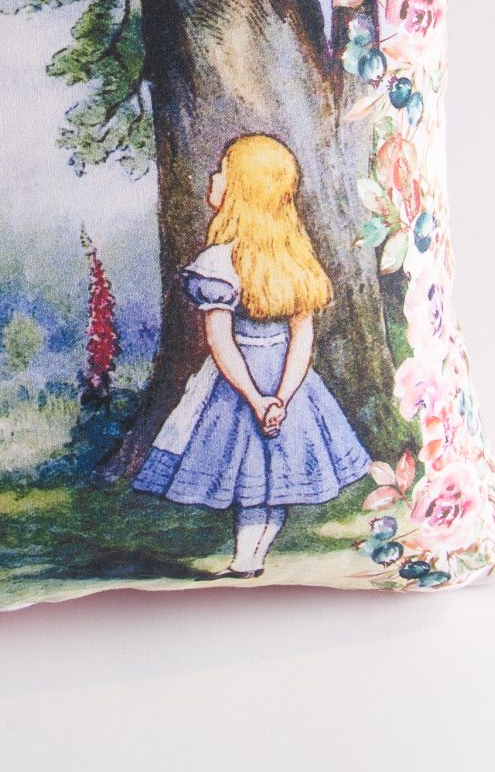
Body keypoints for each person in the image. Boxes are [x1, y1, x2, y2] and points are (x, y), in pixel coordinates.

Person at [128, 134, 371, 577]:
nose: (213, 177)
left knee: (265, 476)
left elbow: (233, 340)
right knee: (260, 475)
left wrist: (272, 398)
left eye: (223, 170)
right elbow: (267, 341)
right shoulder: (268, 260)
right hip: (259, 384)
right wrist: (271, 399)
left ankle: (249, 559)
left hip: (256, 385)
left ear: (242, 188)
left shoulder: (232, 262)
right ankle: (248, 559)